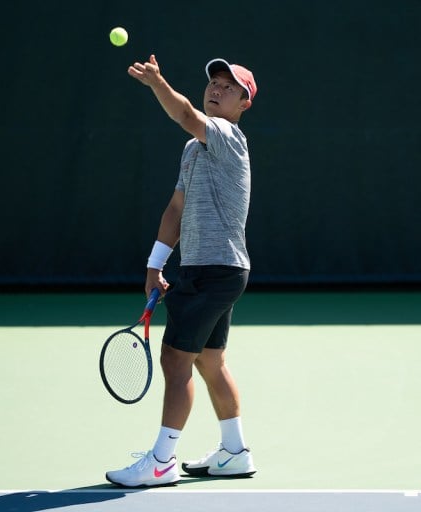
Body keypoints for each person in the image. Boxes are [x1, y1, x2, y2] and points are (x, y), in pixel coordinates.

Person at [105, 55, 258, 487]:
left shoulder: (228, 135)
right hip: (210, 268)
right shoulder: (194, 148)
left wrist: (157, 83)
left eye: (230, 88)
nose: (217, 89)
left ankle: (161, 460)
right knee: (210, 361)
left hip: (213, 269)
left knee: (176, 360)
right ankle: (234, 452)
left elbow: (184, 113)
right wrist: (156, 264)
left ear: (244, 104)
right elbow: (177, 207)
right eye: (215, 82)